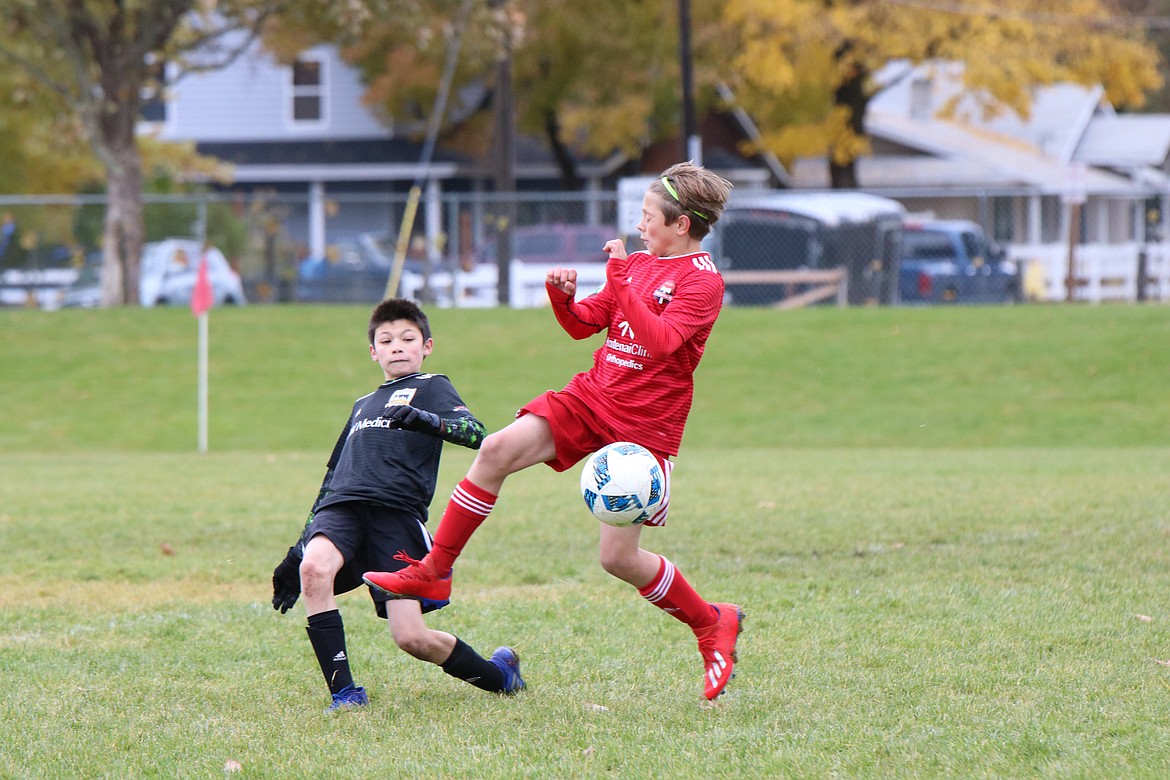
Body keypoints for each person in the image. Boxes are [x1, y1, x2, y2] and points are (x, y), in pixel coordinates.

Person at [364, 162, 744, 701]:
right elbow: (586, 323)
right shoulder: (636, 265)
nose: (639, 226)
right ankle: (434, 571)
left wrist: (619, 281)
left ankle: (711, 622)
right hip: (592, 396)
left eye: (648, 217)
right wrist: (563, 297)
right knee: (495, 449)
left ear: (681, 225)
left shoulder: (704, 282)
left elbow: (660, 341)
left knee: (617, 559)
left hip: (645, 428)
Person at [271, 298, 525, 714]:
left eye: (408, 338)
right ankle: (345, 694)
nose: (397, 346)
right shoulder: (361, 404)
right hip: (343, 507)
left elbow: (478, 433)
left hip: (396, 516)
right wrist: (297, 550)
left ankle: (501, 675)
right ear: (374, 352)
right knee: (314, 569)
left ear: (427, 345)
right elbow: (332, 476)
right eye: (386, 340)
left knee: (412, 638)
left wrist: (430, 422)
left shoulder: (432, 386)